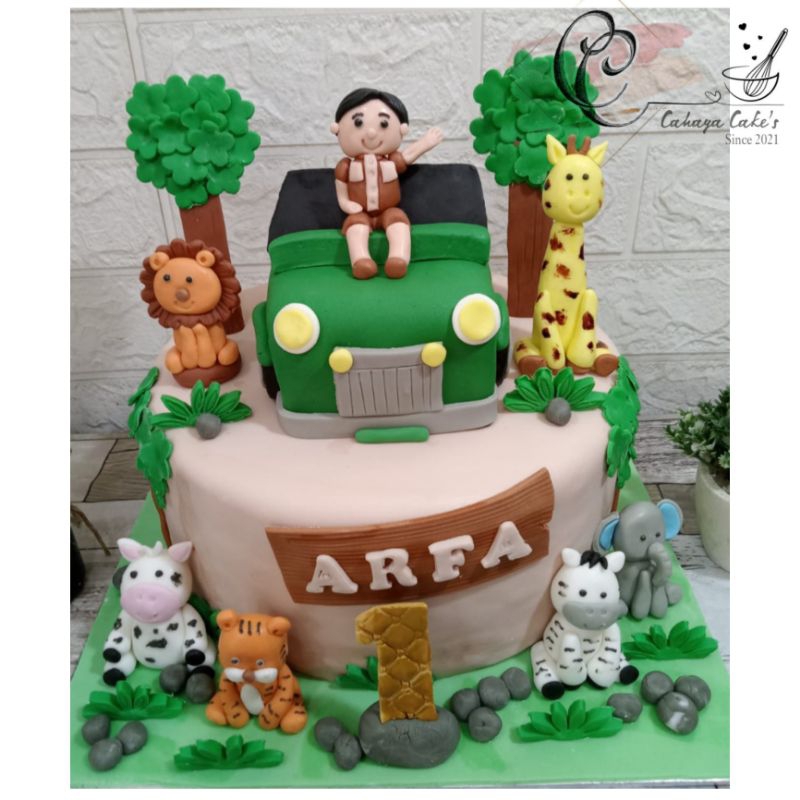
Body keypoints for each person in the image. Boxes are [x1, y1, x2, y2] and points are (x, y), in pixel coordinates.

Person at [331, 88, 443, 279]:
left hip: (388, 210)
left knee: (399, 222)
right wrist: (347, 204)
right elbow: (341, 193)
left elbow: (408, 156)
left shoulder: (392, 160)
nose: (371, 132)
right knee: (355, 227)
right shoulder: (345, 166)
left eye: (383, 124)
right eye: (358, 123)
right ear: (336, 128)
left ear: (402, 129)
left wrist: (425, 142)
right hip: (360, 213)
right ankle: (360, 261)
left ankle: (398, 258)